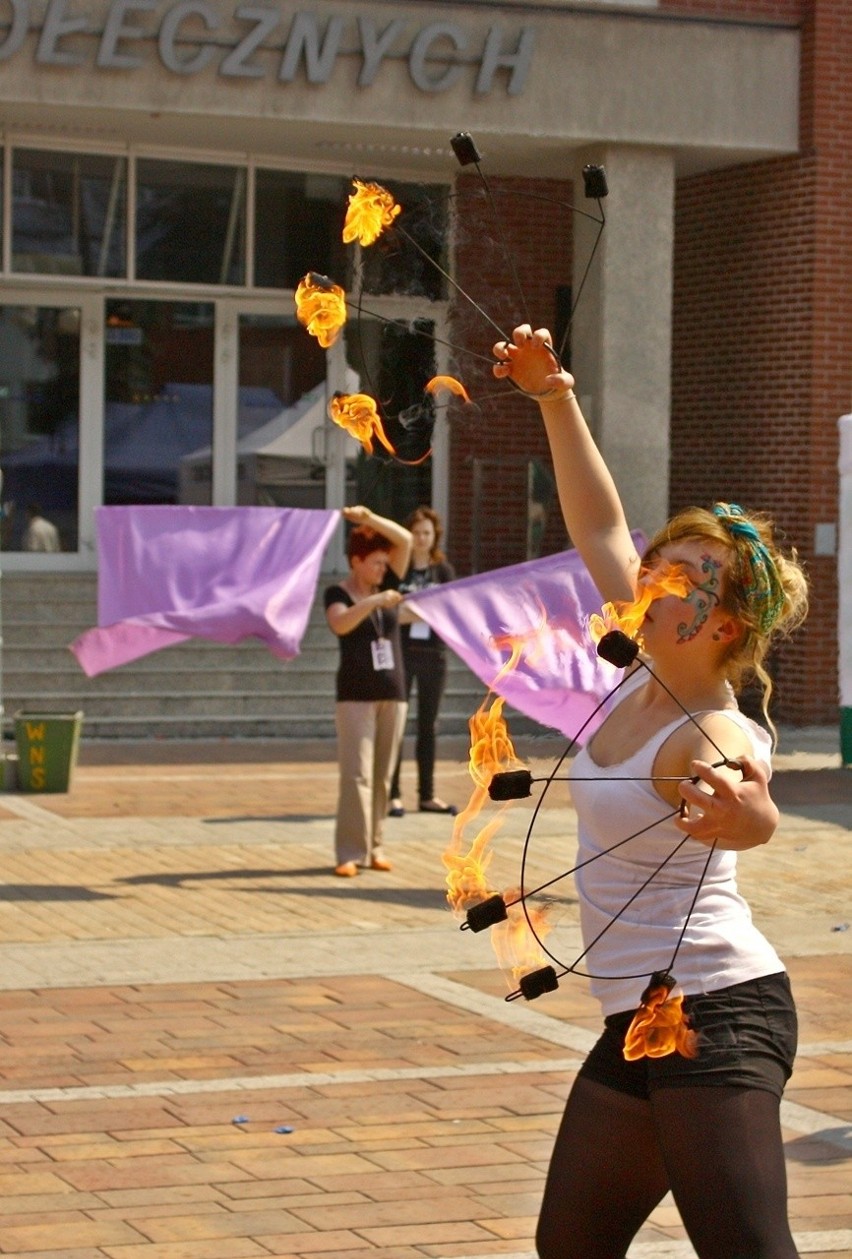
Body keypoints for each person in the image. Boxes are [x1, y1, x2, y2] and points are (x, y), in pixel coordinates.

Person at [493, 325, 808, 1259]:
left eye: (681, 573)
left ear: (720, 622)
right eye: (659, 561)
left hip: (716, 1011)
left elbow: (748, 794)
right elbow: (596, 522)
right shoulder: (640, 673)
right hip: (641, 1012)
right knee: (573, 1245)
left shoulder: (707, 722)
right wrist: (554, 396)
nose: (651, 576)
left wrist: (752, 817)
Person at [324, 505, 412, 878]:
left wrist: (370, 518)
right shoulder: (337, 592)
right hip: (356, 694)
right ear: (356, 561)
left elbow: (405, 540)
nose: (381, 569)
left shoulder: (387, 583)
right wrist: (373, 601)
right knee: (356, 774)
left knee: (382, 776)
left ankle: (375, 845)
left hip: (393, 692)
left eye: (383, 563)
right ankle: (349, 851)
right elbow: (341, 624)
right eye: (375, 562)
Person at [388, 505, 457, 817]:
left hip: (433, 656)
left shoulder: (443, 572)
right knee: (396, 724)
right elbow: (390, 613)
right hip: (401, 653)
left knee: (428, 726)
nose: (420, 538)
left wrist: (414, 610)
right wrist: (424, 609)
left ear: (435, 536)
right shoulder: (397, 569)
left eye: (426, 533)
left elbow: (450, 612)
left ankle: (427, 795)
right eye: (416, 532)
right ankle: (392, 796)